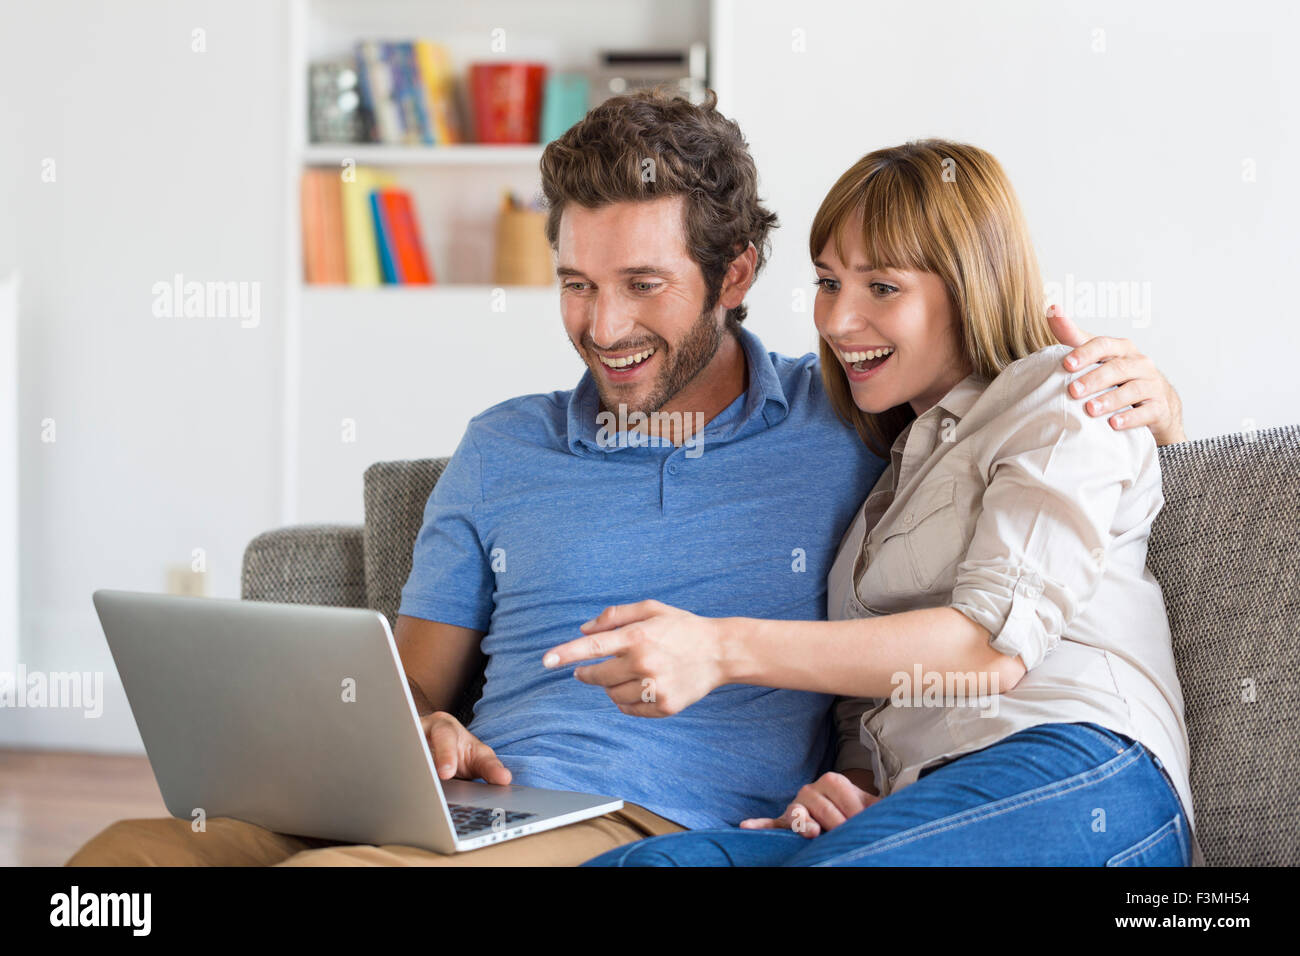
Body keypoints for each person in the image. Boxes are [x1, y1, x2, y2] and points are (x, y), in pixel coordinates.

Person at [68, 93, 1186, 867]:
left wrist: (1151, 397)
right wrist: (421, 733)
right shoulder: (500, 444)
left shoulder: (846, 417)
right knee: (117, 865)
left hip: (640, 821)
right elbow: (405, 685)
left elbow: (1012, 433)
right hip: (458, 804)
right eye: (573, 284)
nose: (602, 329)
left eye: (644, 285)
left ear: (735, 273)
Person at [576, 139, 1197, 867]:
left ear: (970, 283)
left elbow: (985, 650)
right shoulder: (886, 472)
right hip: (924, 801)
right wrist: (856, 786)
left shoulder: (1063, 394)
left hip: (1077, 771)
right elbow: (880, 700)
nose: (837, 321)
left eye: (882, 287)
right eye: (828, 282)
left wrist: (719, 648)